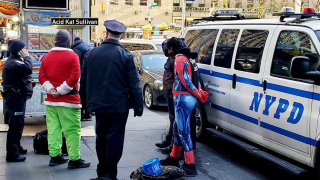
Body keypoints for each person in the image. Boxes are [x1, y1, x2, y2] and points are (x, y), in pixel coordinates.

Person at [80, 20, 143, 180]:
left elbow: (84, 81)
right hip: (119, 106)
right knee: (115, 138)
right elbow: (134, 84)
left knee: (101, 138)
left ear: (106, 33)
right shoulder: (126, 56)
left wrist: (84, 105)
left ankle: (101, 173)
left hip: (98, 106)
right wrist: (138, 106)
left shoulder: (91, 54)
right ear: (121, 36)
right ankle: (110, 175)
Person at [39, 30, 90, 169]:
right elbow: (75, 76)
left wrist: (52, 90)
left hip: (51, 101)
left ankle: (55, 157)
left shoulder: (47, 57)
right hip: (69, 101)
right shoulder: (73, 56)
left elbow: (42, 76)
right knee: (72, 130)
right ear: (68, 41)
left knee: (53, 129)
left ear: (55, 40)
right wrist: (61, 91)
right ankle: (74, 159)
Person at [159, 38, 208, 176]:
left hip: (182, 97)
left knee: (184, 131)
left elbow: (185, 80)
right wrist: (198, 92)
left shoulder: (179, 59)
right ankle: (174, 157)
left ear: (171, 49)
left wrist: (198, 94)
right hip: (187, 98)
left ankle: (189, 164)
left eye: (169, 49)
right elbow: (195, 79)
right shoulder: (189, 58)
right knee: (177, 128)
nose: (168, 52)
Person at [2, 39, 32, 162]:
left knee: (18, 124)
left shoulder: (14, 61)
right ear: (18, 50)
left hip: (17, 97)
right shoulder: (13, 63)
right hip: (16, 98)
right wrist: (27, 57)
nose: (25, 51)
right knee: (16, 125)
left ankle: (16, 146)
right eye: (23, 49)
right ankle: (12, 153)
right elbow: (28, 69)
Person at [155, 39, 175, 152]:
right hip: (170, 92)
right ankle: (170, 141)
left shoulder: (175, 59)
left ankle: (172, 143)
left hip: (173, 93)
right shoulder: (171, 59)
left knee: (174, 119)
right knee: (172, 118)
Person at [71, 35, 92, 121]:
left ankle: (87, 114)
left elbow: (75, 62)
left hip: (84, 72)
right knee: (87, 92)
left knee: (82, 92)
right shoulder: (84, 45)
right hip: (89, 71)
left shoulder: (77, 49)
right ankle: (88, 112)